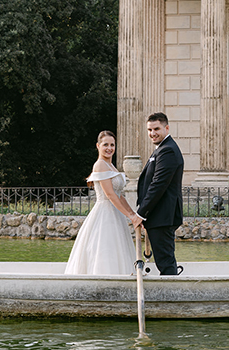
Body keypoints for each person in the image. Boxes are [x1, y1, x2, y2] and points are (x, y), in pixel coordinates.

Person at [65, 131, 143, 275]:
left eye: (112, 145)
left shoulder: (112, 166)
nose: (109, 148)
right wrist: (130, 217)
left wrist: (133, 214)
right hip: (105, 213)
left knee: (118, 247)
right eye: (105, 144)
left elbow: (120, 196)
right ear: (98, 146)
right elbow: (111, 195)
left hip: (116, 214)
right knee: (105, 248)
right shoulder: (100, 165)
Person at [136, 112, 184, 275]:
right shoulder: (161, 149)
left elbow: (158, 185)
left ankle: (172, 296)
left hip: (163, 216)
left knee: (165, 261)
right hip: (158, 216)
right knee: (164, 260)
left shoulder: (168, 150)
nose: (152, 133)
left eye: (156, 129)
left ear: (166, 128)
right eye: (149, 130)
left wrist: (141, 213)